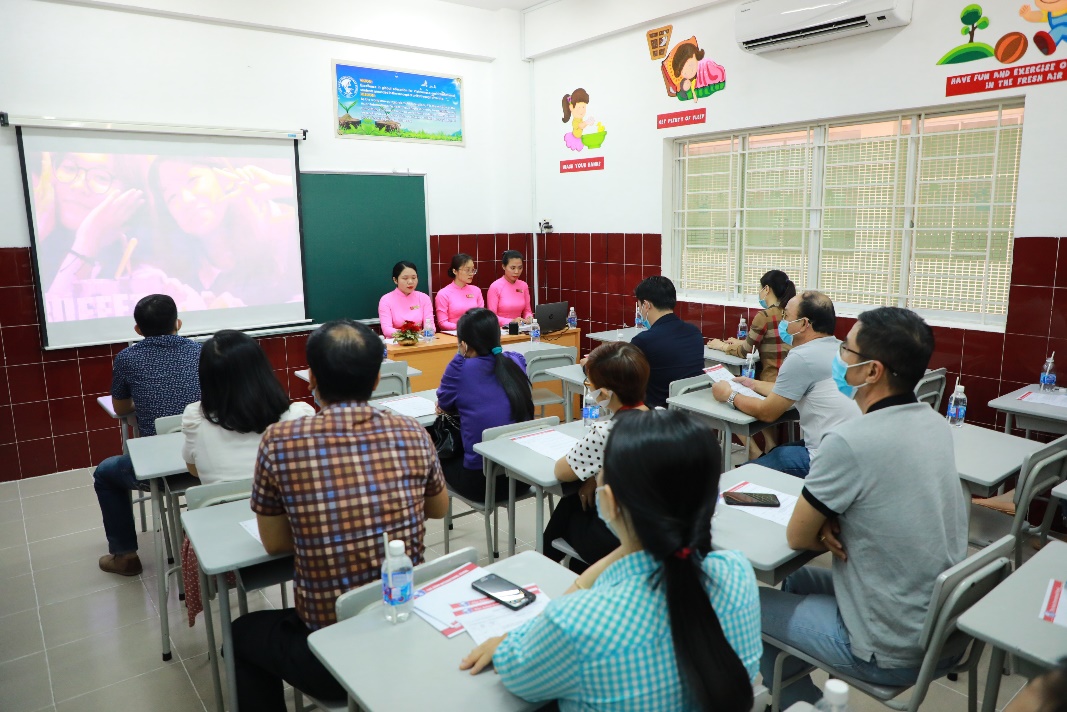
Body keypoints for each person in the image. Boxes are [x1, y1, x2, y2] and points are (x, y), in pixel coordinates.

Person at [459, 410, 762, 712]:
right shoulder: (737, 572)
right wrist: (635, 540)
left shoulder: (576, 622)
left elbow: (517, 671)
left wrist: (506, 643)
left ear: (610, 502)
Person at [232, 319, 449, 711]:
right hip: (408, 628)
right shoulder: (412, 432)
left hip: (331, 656)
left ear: (311, 377)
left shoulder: (280, 441)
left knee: (242, 633)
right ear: (379, 377)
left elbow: (276, 542)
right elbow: (439, 508)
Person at [760, 307, 969, 708]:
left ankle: (806, 704)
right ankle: (792, 688)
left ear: (872, 371)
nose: (838, 357)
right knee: (799, 581)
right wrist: (835, 518)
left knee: (737, 603)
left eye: (845, 350)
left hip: (889, 643)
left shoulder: (851, 440)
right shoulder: (935, 423)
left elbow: (798, 535)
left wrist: (826, 521)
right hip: (938, 622)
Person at [179, 329, 314, 625]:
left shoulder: (195, 417)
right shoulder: (298, 416)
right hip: (292, 535)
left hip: (222, 544)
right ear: (263, 370)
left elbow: (193, 470)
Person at [93, 294, 202, 576]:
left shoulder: (127, 358)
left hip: (159, 472)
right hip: (203, 461)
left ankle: (125, 555)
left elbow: (120, 407)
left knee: (105, 473)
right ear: (178, 323)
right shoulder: (201, 352)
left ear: (138, 330)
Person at [711, 291, 859, 478]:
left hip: (830, 460)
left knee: (747, 474)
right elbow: (792, 391)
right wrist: (753, 384)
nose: (782, 321)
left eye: (786, 316)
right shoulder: (839, 349)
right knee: (777, 453)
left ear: (804, 323)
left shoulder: (802, 357)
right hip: (854, 452)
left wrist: (729, 395)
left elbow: (767, 412)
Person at [542, 342, 649, 572]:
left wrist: (590, 474)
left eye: (591, 384)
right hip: (649, 530)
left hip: (616, 538)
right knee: (579, 495)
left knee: (569, 503)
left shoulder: (605, 433)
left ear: (605, 393)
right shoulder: (659, 417)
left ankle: (544, 563)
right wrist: (595, 476)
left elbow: (561, 471)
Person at [436, 308, 533, 502]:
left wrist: (460, 355)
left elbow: (444, 405)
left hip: (482, 483)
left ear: (463, 344)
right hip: (523, 476)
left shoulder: (459, 368)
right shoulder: (515, 361)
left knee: (436, 456)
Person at [707, 269, 795, 457]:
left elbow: (745, 351)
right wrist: (741, 341)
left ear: (766, 289)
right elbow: (771, 341)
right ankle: (770, 446)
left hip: (769, 383)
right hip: (790, 383)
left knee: (729, 396)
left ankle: (754, 452)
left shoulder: (765, 315)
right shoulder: (790, 314)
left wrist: (721, 346)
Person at [630, 276, 705, 409]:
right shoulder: (694, 332)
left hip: (657, 413)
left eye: (639, 305)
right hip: (691, 410)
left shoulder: (643, 341)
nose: (640, 311)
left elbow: (620, 375)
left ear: (646, 305)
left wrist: (588, 365)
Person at [377, 260, 434, 337]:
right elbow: (387, 330)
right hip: (396, 344)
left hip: (420, 342)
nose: (410, 282)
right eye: (405, 278)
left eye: (414, 278)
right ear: (395, 280)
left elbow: (431, 326)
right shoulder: (386, 300)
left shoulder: (424, 298)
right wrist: (411, 334)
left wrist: (428, 331)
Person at [435, 253, 484, 331]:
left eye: (473, 270)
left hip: (475, 334)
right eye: (467, 270)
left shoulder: (476, 290)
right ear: (455, 271)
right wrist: (464, 328)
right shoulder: (443, 294)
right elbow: (442, 323)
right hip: (454, 335)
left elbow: (482, 317)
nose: (471, 273)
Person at [486, 250, 533, 326]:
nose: (517, 271)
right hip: (501, 331)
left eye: (520, 268)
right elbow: (491, 317)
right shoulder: (495, 287)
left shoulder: (523, 285)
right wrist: (512, 321)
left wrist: (529, 318)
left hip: (520, 329)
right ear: (503, 266)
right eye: (513, 268)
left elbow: (527, 311)